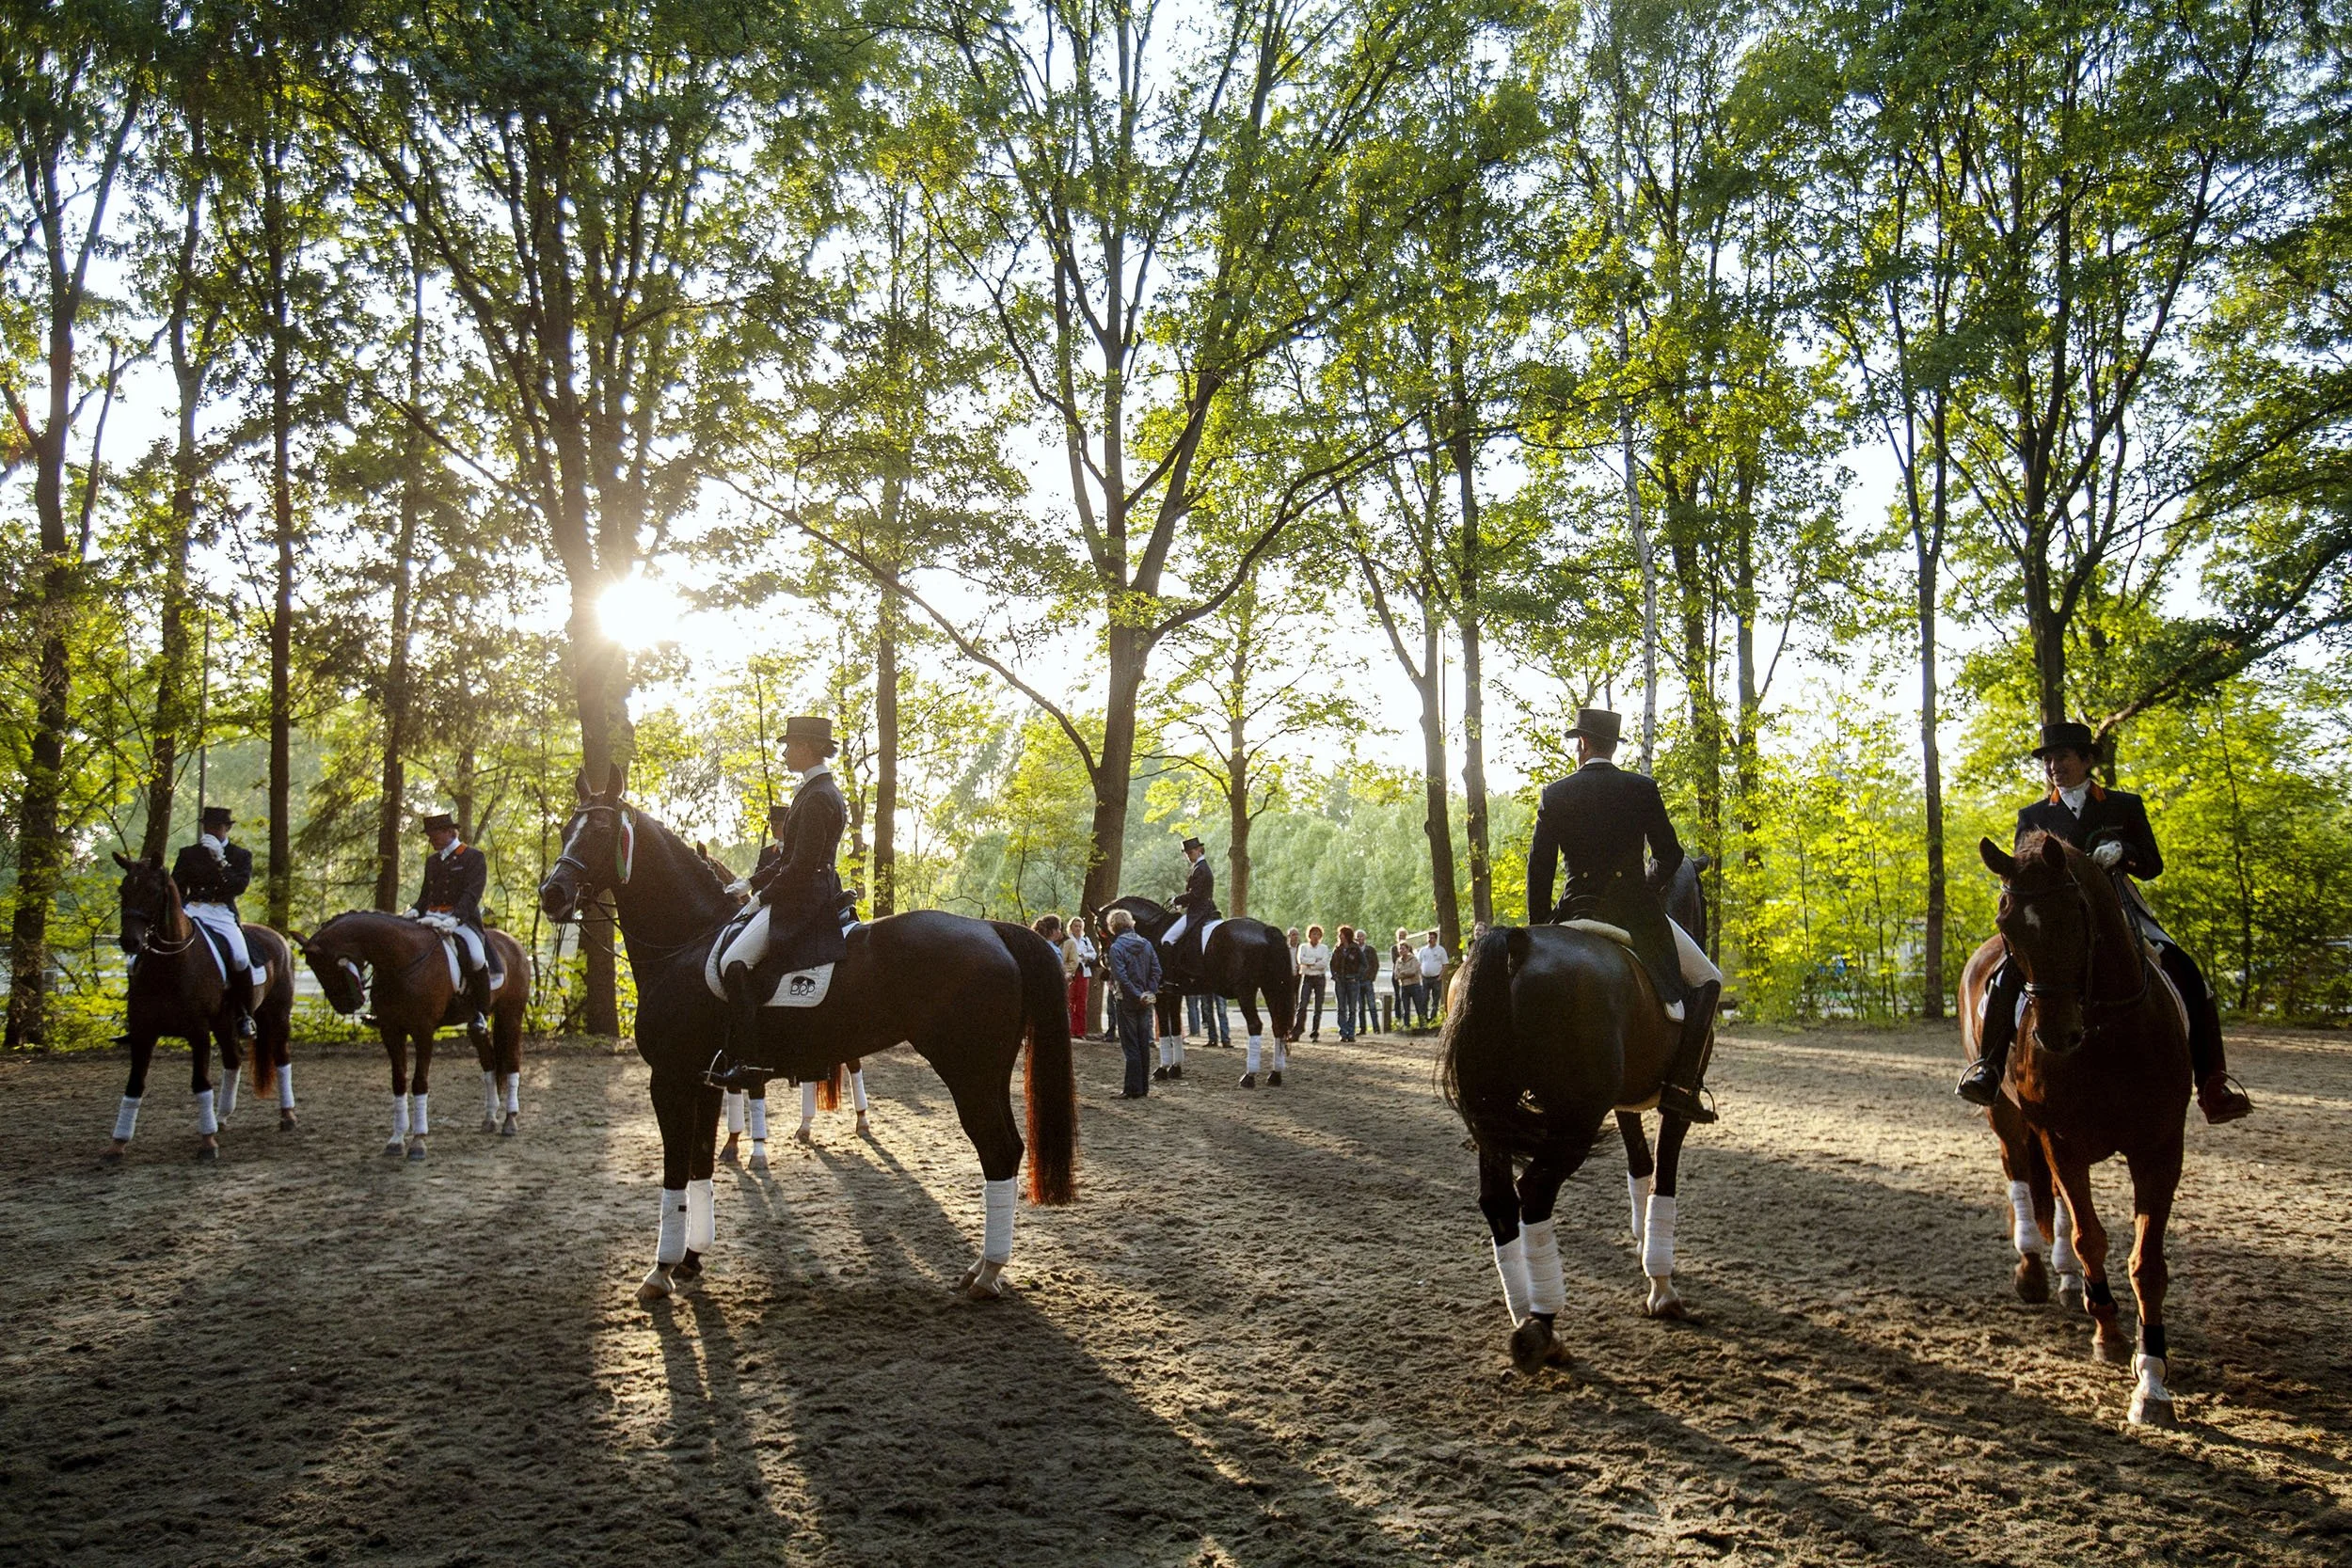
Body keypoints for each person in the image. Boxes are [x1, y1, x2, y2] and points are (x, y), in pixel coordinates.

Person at [1958, 721, 2253, 1124]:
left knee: (2188, 972)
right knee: (2008, 975)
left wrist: (2125, 851)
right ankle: (1989, 1068)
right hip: (2058, 921)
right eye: (2048, 760)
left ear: (2086, 760)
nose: (2053, 767)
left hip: (2118, 910)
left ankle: (2213, 1083)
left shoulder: (2123, 805)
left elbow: (2152, 864)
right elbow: (2023, 873)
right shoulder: (2033, 815)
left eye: (2061, 757)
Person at [1528, 706, 1722, 1124]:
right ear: (1613, 746)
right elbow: (1670, 856)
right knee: (1709, 980)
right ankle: (1681, 1087)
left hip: (1574, 909)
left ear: (1582, 743)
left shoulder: (1555, 793)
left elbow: (1538, 870)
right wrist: (1644, 889)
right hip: (1634, 915)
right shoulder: (1641, 788)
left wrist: (1540, 928)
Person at [718, 716, 850, 1049]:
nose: (785, 753)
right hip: (803, 890)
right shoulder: (814, 790)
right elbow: (786, 859)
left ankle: (749, 1056)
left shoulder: (818, 796)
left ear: (806, 747)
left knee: (735, 964)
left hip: (804, 898)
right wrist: (746, 882)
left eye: (789, 746)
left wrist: (762, 898)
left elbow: (802, 866)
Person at [171, 804, 259, 1041]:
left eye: (217, 827)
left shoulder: (240, 856)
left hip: (221, 912)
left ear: (227, 828)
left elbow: (238, 887)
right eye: (207, 826)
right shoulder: (188, 853)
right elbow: (176, 885)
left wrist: (221, 862)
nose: (210, 830)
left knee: (240, 957)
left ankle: (244, 1015)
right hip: (192, 909)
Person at [412, 810, 493, 1043]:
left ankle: (480, 1013)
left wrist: (455, 919)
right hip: (430, 918)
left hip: (462, 921)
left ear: (450, 832)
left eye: (434, 835)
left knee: (477, 958)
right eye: (429, 836)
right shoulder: (432, 862)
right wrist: (415, 910)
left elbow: (472, 894)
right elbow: (425, 895)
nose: (431, 840)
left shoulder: (473, 857)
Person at [1105, 908, 1160, 1098]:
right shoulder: (1146, 944)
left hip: (1126, 1000)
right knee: (1143, 1042)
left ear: (1113, 927)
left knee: (1131, 1045)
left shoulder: (1116, 948)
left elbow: (1120, 976)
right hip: (1145, 1000)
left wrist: (1138, 994)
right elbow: (1156, 971)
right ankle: (1144, 1087)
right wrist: (1148, 992)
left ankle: (1132, 1088)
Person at [1162, 833, 1220, 980]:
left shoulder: (1201, 869)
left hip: (1198, 912)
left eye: (1191, 852)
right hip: (1201, 908)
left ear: (1199, 850)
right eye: (1187, 853)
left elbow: (1195, 895)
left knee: (1167, 939)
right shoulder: (1199, 867)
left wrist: (1176, 900)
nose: (1189, 855)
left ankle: (1170, 977)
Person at [1295, 924, 1331, 1040]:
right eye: (1313, 934)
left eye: (1317, 934)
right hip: (1307, 977)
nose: (1315, 936)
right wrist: (1315, 961)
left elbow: (1324, 963)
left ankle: (1315, 1032)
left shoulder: (1324, 948)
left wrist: (1310, 964)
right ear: (1309, 935)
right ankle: (1298, 1029)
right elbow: (1301, 959)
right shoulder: (1303, 947)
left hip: (1319, 978)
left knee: (1318, 1006)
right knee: (1303, 1004)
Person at [1416, 928, 1449, 1022]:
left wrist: (1440, 976)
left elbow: (1445, 964)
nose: (1430, 939)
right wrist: (1420, 975)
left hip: (1436, 978)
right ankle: (1424, 1019)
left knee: (1435, 1000)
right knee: (1424, 999)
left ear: (1436, 939)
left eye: (1432, 938)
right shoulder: (1423, 951)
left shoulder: (1441, 950)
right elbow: (1418, 963)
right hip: (1425, 978)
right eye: (1429, 938)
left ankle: (1433, 1018)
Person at [1393, 936, 1425, 1030]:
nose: (1401, 950)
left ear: (1408, 949)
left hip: (1415, 985)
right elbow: (1396, 975)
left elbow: (1414, 971)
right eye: (1400, 949)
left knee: (1419, 1006)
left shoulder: (1414, 959)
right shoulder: (1398, 961)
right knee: (1405, 1008)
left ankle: (1422, 1025)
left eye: (1403, 948)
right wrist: (1404, 974)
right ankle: (1406, 1025)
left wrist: (1403, 973)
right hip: (1404, 986)